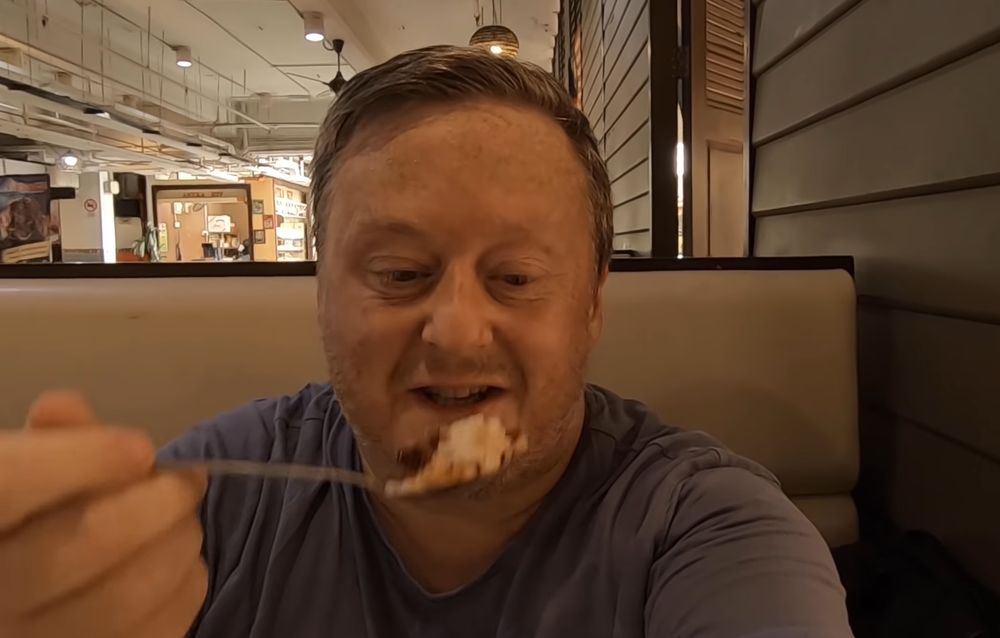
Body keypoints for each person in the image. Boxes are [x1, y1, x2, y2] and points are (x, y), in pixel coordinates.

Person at [0, 46, 852, 637]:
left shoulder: (706, 530)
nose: (455, 330)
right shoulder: (222, 497)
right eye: (401, 273)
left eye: (515, 278)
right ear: (322, 294)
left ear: (593, 304)